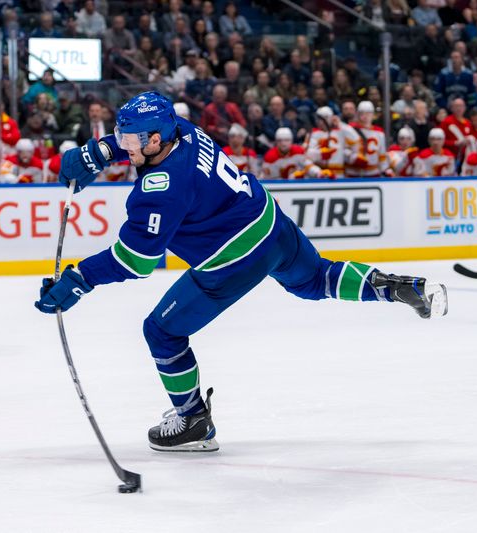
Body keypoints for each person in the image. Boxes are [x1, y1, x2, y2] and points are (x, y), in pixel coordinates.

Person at [35, 92, 447, 452]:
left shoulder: (162, 186)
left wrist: (80, 278)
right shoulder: (183, 128)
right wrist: (98, 153)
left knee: (162, 331)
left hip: (232, 259)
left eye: (129, 140)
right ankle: (396, 287)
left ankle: (193, 419)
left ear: (155, 140)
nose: (125, 145)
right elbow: (141, 140)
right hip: (268, 221)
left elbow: (137, 260)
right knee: (316, 277)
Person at [304, 106, 360, 178]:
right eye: (319, 119)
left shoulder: (341, 131)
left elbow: (355, 139)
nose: (321, 122)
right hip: (320, 174)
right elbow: (306, 154)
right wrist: (320, 154)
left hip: (339, 174)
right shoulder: (312, 134)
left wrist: (340, 124)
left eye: (325, 118)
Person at [346, 101, 388, 177]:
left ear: (373, 115)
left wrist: (385, 170)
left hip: (373, 174)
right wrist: (353, 158)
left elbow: (382, 154)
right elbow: (343, 150)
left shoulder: (379, 133)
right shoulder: (350, 130)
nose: (365, 116)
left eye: (368, 113)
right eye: (362, 113)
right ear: (357, 114)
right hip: (353, 173)